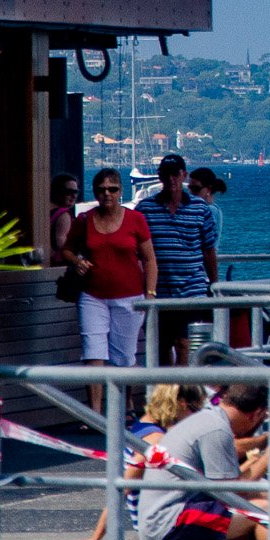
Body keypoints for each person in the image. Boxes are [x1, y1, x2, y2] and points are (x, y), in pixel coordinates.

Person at [137, 380, 270, 540]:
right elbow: (232, 495)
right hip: (168, 523)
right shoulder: (216, 429)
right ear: (257, 414)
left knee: (264, 501)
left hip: (166, 520)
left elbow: (230, 487)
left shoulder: (208, 419)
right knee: (266, 510)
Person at [62, 381, 201, 540]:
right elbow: (123, 488)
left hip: (159, 516)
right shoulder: (154, 440)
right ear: (182, 404)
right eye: (196, 411)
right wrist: (94, 539)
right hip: (163, 521)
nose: (197, 417)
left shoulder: (141, 426)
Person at [63, 168, 157, 407]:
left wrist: (150, 294)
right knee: (93, 352)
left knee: (124, 356)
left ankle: (126, 406)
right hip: (92, 295)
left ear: (120, 191)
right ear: (95, 192)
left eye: (112, 189)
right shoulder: (85, 219)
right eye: (102, 190)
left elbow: (149, 259)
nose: (107, 194)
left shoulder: (136, 219)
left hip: (130, 296)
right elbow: (67, 249)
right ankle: (94, 412)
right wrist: (77, 262)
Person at [139, 154, 220, 365]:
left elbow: (208, 250)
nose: (171, 179)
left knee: (185, 343)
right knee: (162, 344)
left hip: (191, 289)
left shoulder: (200, 209)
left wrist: (214, 283)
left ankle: (183, 393)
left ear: (183, 175)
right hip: (159, 290)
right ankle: (168, 393)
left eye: (175, 174)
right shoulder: (145, 209)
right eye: (166, 175)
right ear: (160, 176)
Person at [46, 174, 83, 267]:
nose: (74, 196)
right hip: (60, 264)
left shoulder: (46, 212)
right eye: (69, 192)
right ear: (57, 192)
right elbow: (61, 243)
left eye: (76, 192)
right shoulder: (64, 215)